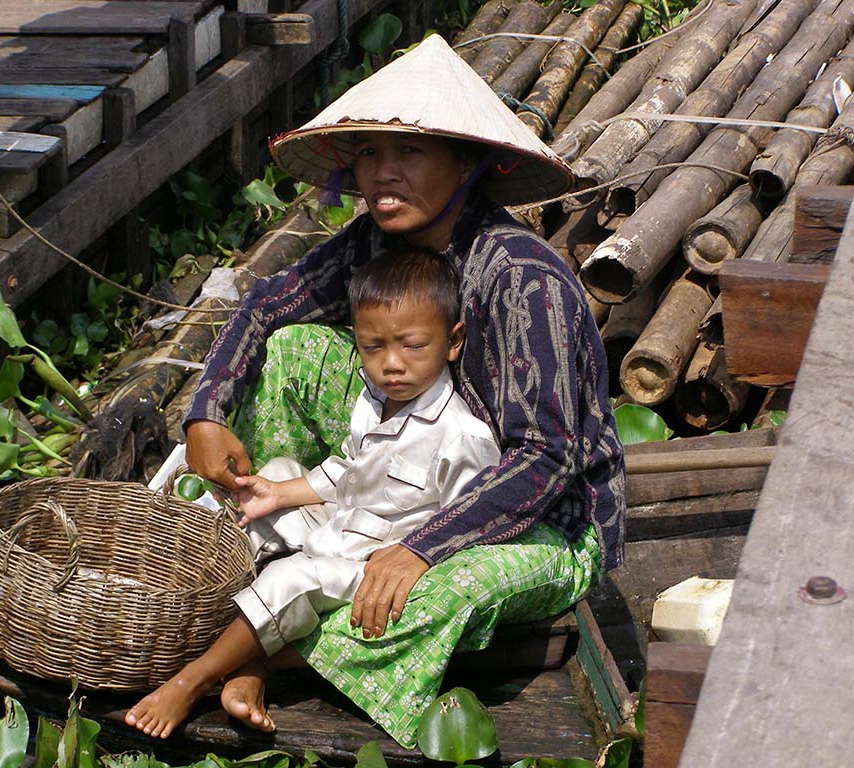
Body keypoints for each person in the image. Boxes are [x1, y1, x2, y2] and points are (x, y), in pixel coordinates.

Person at [135, 33, 627, 748]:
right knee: (293, 347)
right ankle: (240, 555)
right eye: (367, 153)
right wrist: (204, 415)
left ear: (468, 163)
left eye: (409, 153)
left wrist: (425, 545)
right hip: (409, 467)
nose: (381, 174)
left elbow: (549, 461)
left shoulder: (525, 281)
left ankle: (262, 659)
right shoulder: (374, 244)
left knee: (438, 592)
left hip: (545, 519)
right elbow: (269, 302)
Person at [125, 248, 500, 738]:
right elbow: (346, 468)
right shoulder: (375, 399)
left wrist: (412, 558)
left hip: (372, 566)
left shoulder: (462, 438)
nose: (391, 365)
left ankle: (192, 679)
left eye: (411, 346)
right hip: (342, 523)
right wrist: (279, 493)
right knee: (274, 477)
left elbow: (469, 525)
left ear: (452, 342)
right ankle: (233, 641)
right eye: (372, 347)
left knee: (293, 578)